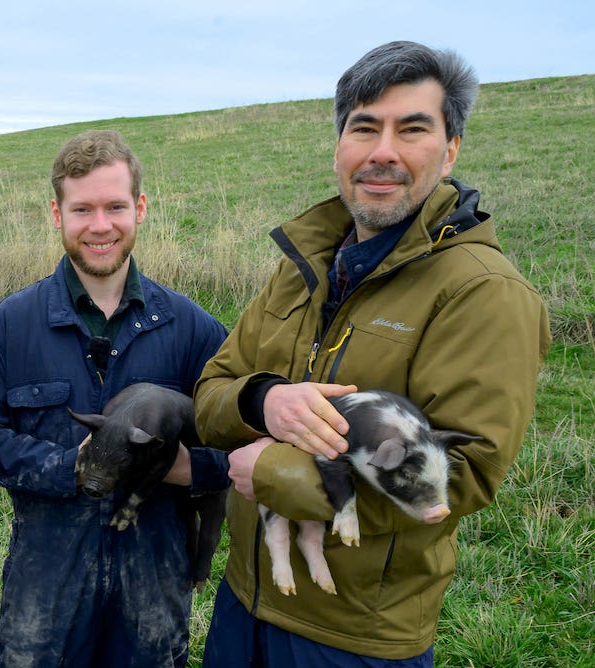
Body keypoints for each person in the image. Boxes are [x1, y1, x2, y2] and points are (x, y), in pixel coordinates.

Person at [194, 41, 551, 666]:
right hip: (244, 601)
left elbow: (459, 475)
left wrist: (274, 474)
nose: (382, 151)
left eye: (412, 128)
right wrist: (263, 399)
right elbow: (214, 389)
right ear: (340, 148)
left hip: (356, 636)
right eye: (364, 127)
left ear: (451, 150)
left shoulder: (482, 293)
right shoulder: (302, 269)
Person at [0, 130, 231, 667]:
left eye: (115, 207)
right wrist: (69, 466)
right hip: (45, 582)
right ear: (56, 215)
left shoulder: (193, 329)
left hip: (155, 583)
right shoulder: (13, 324)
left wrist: (183, 468)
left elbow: (239, 449)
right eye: (82, 209)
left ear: (140, 209)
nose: (100, 226)